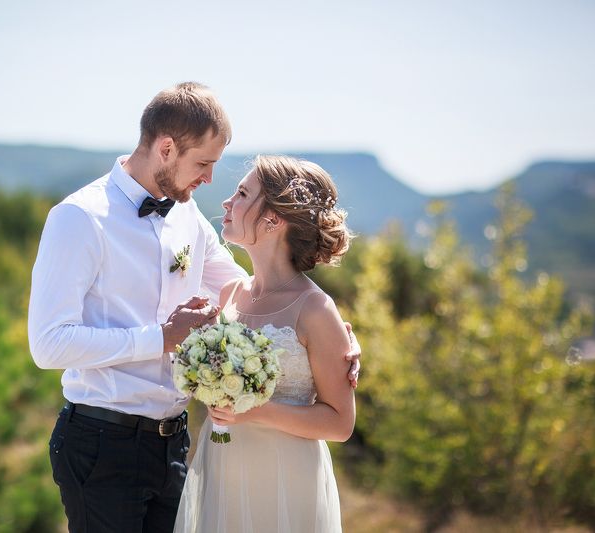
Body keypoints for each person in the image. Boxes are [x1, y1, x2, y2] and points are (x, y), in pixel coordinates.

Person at [28, 82, 361, 532]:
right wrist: (162, 338)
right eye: (203, 163)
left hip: (176, 447)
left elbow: (255, 296)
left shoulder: (187, 216)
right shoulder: (80, 218)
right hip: (102, 442)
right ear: (166, 148)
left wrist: (333, 340)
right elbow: (49, 345)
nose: (208, 179)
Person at [173, 155, 357, 533]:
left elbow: (340, 423)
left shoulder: (315, 308)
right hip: (221, 465)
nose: (227, 202)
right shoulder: (230, 293)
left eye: (242, 194)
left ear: (273, 219)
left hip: (284, 477)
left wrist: (254, 411)